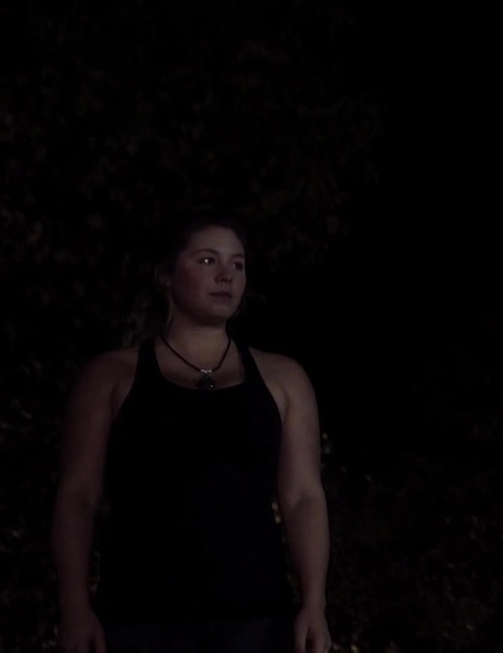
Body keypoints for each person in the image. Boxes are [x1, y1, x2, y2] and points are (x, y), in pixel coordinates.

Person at [53, 214, 331, 653]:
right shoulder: (110, 376)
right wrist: (74, 604)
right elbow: (79, 495)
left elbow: (302, 496)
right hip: (141, 614)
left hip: (256, 616)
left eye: (237, 264)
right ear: (166, 275)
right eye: (207, 260)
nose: (226, 275)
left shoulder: (283, 378)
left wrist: (314, 602)